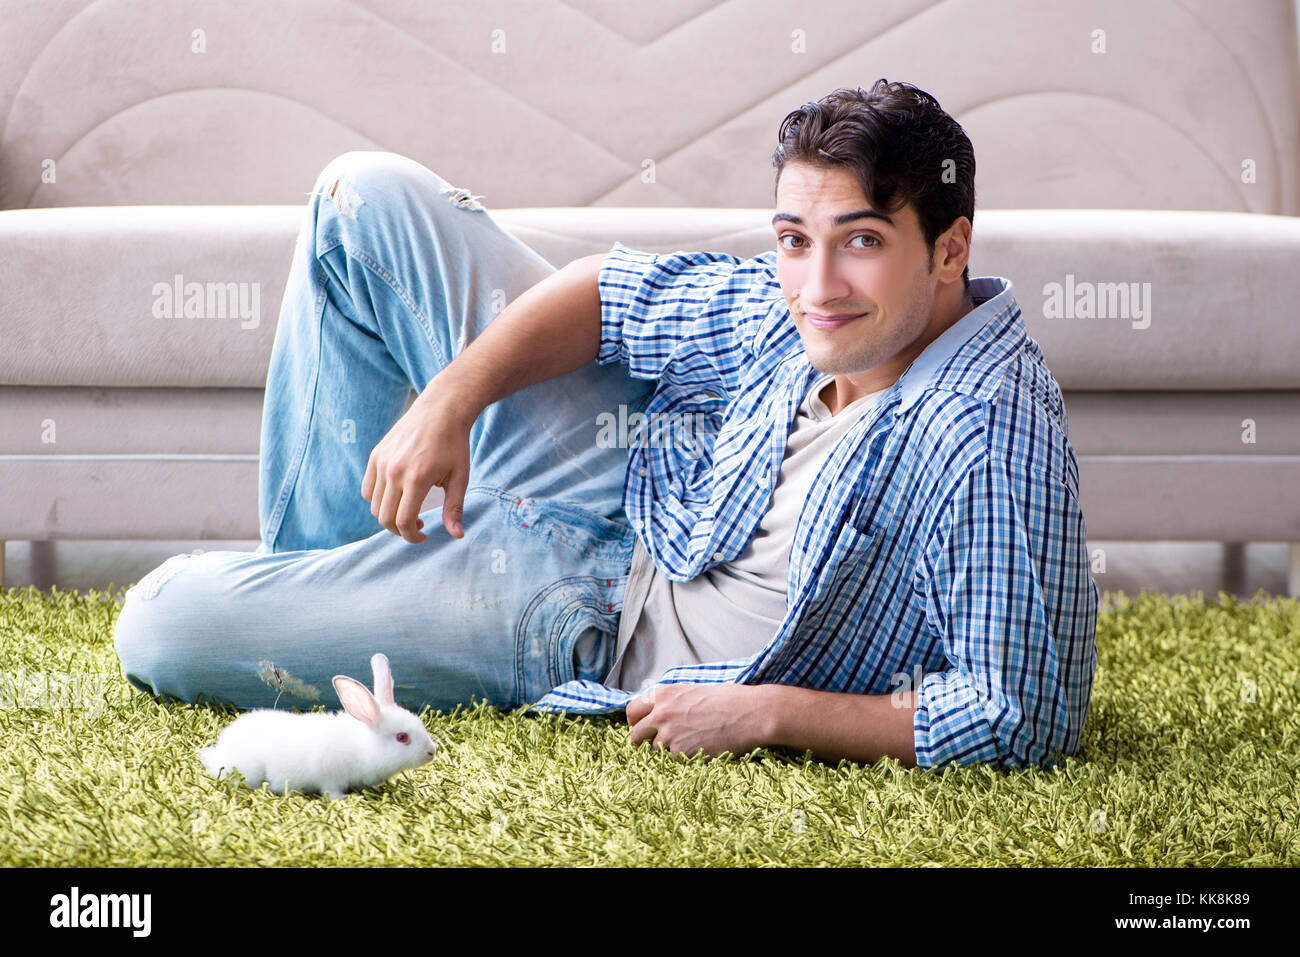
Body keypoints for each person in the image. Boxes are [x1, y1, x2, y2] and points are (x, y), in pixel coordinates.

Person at [113, 79, 1097, 772]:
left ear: (948, 247)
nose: (816, 286)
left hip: (586, 619)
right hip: (618, 477)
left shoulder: (983, 442)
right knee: (359, 196)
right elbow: (608, 293)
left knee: (160, 623)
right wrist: (446, 404)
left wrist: (771, 713)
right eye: (796, 241)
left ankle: (331, 600)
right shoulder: (810, 298)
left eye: (862, 244)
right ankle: (344, 585)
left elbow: (1021, 715)